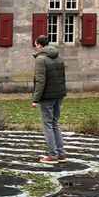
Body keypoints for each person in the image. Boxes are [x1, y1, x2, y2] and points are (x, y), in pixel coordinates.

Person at [31, 35, 67, 164]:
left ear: (39, 45)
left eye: (35, 44)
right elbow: (62, 77)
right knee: (55, 123)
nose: (35, 47)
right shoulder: (58, 56)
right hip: (59, 94)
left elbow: (40, 81)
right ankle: (61, 153)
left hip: (47, 96)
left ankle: (52, 155)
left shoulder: (41, 59)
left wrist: (35, 99)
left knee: (47, 125)